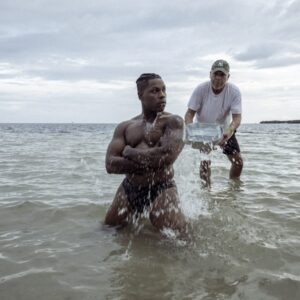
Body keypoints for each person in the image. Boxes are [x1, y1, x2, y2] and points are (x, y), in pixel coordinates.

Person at [105, 73, 189, 238]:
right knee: (108, 231)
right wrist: (149, 162)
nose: (162, 95)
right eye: (155, 91)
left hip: (162, 188)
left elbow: (166, 157)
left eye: (164, 90)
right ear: (140, 95)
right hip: (130, 188)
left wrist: (131, 152)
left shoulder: (174, 122)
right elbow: (110, 164)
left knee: (179, 240)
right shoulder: (125, 126)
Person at [184, 59, 243, 186]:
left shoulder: (234, 91)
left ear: (228, 76)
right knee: (205, 163)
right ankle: (206, 193)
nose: (218, 78)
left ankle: (233, 191)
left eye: (222, 75)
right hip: (204, 131)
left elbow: (237, 118)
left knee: (238, 162)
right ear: (210, 74)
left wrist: (229, 130)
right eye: (215, 74)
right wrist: (191, 130)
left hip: (225, 130)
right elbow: (189, 114)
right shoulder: (201, 89)